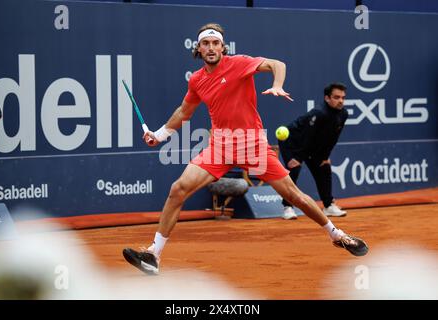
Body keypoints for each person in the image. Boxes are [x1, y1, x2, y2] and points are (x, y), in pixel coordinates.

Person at [123, 23, 368, 275]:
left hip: (252, 145)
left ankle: (336, 234)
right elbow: (184, 111)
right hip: (220, 147)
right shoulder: (197, 80)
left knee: (295, 196)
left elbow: (277, 64)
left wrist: (278, 84)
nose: (211, 48)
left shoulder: (239, 63)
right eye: (205, 43)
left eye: (215, 43)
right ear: (198, 48)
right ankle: (154, 254)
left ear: (222, 47)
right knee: (178, 189)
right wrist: (160, 134)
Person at [278, 83, 349, 220]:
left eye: (342, 97)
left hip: (311, 145)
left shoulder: (343, 114)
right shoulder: (319, 113)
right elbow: (306, 137)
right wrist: (297, 158)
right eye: (336, 97)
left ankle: (328, 206)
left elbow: (333, 137)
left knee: (324, 167)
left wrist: (325, 156)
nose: (340, 100)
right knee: (294, 170)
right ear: (327, 98)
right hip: (292, 142)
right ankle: (287, 207)